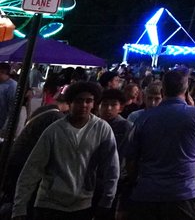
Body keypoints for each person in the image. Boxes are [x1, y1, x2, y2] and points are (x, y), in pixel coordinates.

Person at [14, 81, 119, 220]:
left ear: (94, 104)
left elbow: (112, 167)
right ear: (70, 102)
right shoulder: (54, 131)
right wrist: (19, 208)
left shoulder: (102, 129)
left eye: (89, 101)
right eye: (79, 101)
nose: (84, 105)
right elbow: (32, 168)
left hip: (83, 205)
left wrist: (107, 199)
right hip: (50, 204)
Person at [125, 68, 195, 220]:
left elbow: (130, 158)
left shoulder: (143, 118)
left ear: (163, 91)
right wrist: (192, 106)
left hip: (147, 192)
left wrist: (135, 181)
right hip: (182, 193)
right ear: (186, 90)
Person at [0, 63, 18, 134]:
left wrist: (5, 129)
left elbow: (12, 110)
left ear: (3, 72)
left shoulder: (12, 86)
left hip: (2, 125)